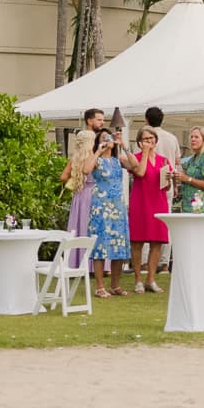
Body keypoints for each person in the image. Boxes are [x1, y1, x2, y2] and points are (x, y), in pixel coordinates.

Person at [123, 124, 172, 293]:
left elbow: (166, 187)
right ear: (139, 142)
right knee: (137, 242)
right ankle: (138, 279)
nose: (149, 142)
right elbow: (140, 173)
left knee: (157, 242)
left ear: (156, 141)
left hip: (158, 202)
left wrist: (170, 181)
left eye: (151, 139)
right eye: (145, 139)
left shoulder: (163, 160)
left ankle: (151, 279)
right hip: (140, 202)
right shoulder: (133, 158)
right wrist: (145, 153)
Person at [87, 127, 130, 297]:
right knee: (101, 245)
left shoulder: (118, 160)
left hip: (118, 206)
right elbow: (85, 169)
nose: (107, 140)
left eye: (108, 137)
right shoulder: (96, 160)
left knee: (118, 245)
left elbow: (135, 166)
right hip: (101, 206)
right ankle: (99, 286)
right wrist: (97, 151)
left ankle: (115, 284)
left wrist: (124, 145)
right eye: (103, 138)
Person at [61, 127, 97, 270]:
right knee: (91, 228)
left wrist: (75, 178)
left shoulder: (74, 159)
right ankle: (92, 264)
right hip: (92, 193)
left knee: (78, 227)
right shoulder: (93, 158)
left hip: (79, 195)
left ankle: (75, 262)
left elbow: (62, 177)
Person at [174, 125, 204, 212]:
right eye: (191, 137)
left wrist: (188, 179)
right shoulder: (191, 160)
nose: (193, 139)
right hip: (187, 206)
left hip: (201, 208)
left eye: (196, 137)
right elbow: (184, 179)